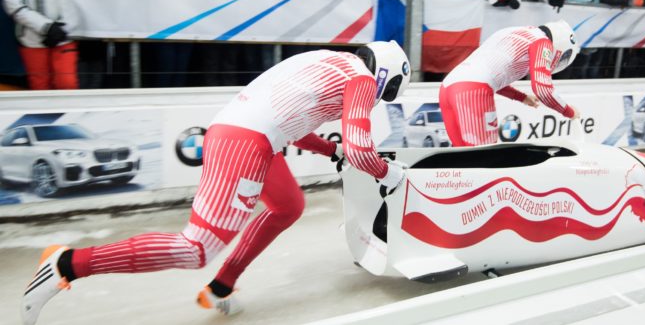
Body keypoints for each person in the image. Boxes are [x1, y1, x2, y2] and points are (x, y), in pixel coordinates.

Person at [21, 41, 412, 324]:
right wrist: (391, 175)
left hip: (245, 133)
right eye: (389, 92)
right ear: (385, 76)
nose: (383, 98)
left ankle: (222, 287)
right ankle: (68, 264)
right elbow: (362, 148)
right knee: (197, 249)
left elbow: (290, 121)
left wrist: (330, 152)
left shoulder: (329, 60)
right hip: (247, 143)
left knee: (289, 206)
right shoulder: (361, 80)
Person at [439, 21, 580, 147]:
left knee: (460, 162)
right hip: (473, 91)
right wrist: (569, 111)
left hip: (448, 86)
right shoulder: (542, 43)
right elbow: (543, 89)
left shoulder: (513, 30)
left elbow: (492, 74)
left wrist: (522, 97)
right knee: (483, 161)